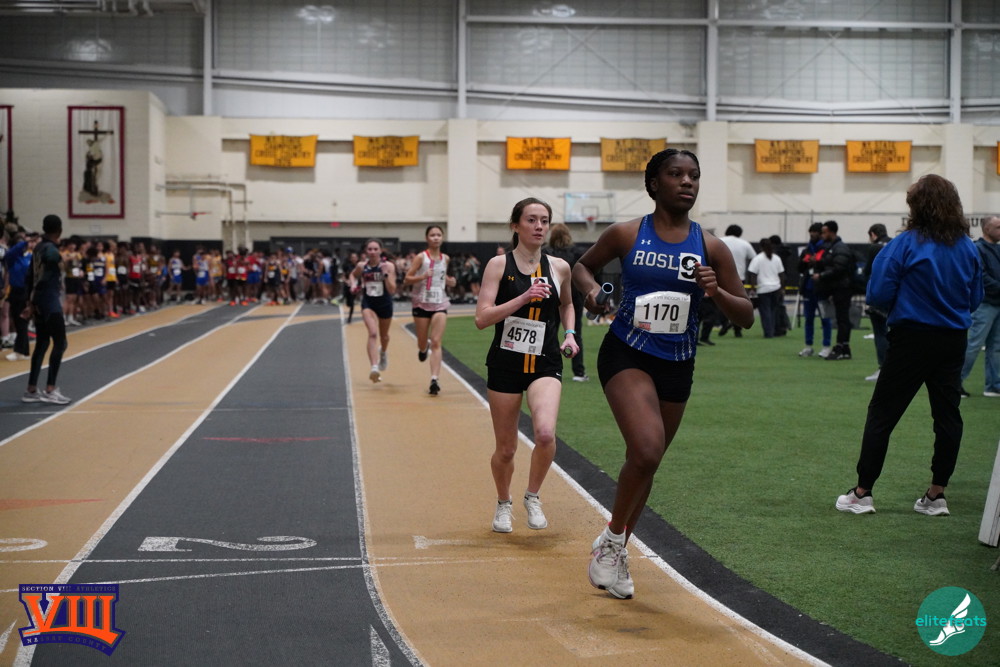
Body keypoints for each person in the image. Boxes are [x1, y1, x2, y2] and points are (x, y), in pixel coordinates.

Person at [573, 149, 753, 599]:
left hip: (678, 362)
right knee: (648, 448)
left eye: (694, 175)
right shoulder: (626, 233)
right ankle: (612, 540)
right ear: (654, 183)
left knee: (646, 463)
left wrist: (717, 292)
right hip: (627, 352)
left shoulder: (711, 246)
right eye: (676, 174)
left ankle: (618, 550)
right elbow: (582, 267)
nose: (687, 182)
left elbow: (746, 315)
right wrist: (592, 291)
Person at [835, 174, 983, 516]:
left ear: (917, 206)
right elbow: (974, 299)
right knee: (948, 416)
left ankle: (862, 492)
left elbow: (878, 294)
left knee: (883, 414)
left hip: (911, 338)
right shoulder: (967, 247)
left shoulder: (903, 244)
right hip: (953, 340)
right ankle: (936, 495)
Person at [475, 197, 578, 535]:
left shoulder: (559, 267)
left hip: (545, 362)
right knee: (506, 449)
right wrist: (523, 297)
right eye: (531, 219)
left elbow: (567, 304)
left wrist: (570, 334)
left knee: (545, 433)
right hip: (505, 364)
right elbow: (481, 318)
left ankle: (532, 496)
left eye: (544, 220)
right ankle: (503, 502)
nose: (539, 226)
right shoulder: (497, 265)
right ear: (515, 225)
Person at [22, 215, 72, 404]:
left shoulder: (38, 248)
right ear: (59, 230)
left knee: (42, 343)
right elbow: (43, 277)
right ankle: (50, 389)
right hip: (49, 302)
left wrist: (30, 302)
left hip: (39, 301)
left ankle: (31, 389)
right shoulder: (51, 251)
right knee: (60, 343)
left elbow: (29, 277)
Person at [404, 225, 457, 395]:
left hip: (440, 303)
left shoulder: (445, 258)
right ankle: (422, 348)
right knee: (422, 341)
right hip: (421, 303)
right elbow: (407, 279)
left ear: (442, 238)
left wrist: (450, 281)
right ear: (427, 238)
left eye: (438, 235)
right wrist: (422, 276)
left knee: (436, 341)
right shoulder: (421, 257)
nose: (436, 238)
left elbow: (443, 277)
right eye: (432, 235)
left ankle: (434, 380)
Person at [960, 214, 1000, 398]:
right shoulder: (977, 249)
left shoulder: (996, 249)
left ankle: (993, 385)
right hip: (984, 304)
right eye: (998, 227)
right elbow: (981, 276)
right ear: (987, 229)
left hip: (997, 303)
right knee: (974, 345)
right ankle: (956, 382)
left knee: (996, 347)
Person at [544, 223, 589, 380]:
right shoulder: (577, 253)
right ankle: (579, 372)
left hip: (552, 296)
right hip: (573, 297)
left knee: (550, 332)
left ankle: (548, 367)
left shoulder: (545, 253)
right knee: (575, 332)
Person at [351, 239, 396, 383]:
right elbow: (353, 275)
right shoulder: (362, 266)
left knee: (384, 336)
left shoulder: (389, 266)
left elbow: (392, 290)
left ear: (381, 251)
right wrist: (353, 284)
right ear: (366, 251)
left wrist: (385, 274)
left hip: (385, 303)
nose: (372, 252)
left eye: (375, 249)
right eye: (370, 249)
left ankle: (383, 352)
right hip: (368, 303)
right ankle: (374, 367)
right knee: (372, 333)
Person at [812, 220, 855, 360]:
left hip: (842, 288)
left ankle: (841, 347)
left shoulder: (839, 248)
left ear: (831, 232)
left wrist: (821, 275)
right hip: (837, 288)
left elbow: (839, 268)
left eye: (824, 232)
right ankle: (844, 348)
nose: (822, 235)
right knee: (840, 318)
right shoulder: (832, 247)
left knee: (842, 319)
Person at [797, 222, 833, 358]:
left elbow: (829, 266)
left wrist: (817, 262)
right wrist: (804, 261)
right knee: (808, 318)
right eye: (810, 232)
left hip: (822, 289)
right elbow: (799, 268)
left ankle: (826, 346)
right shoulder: (807, 249)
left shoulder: (827, 248)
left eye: (815, 232)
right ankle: (808, 346)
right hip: (808, 288)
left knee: (825, 318)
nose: (812, 234)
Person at [863, 224, 892, 381]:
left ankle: (883, 368)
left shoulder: (875, 248)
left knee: (880, 332)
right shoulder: (895, 243)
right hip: (895, 295)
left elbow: (868, 270)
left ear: (873, 234)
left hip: (879, 294)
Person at [4, 229, 37, 361]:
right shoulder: (13, 259)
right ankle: (23, 350)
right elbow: (10, 253)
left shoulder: (30, 257)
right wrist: (24, 242)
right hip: (15, 291)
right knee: (18, 322)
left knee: (22, 321)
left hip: (26, 291)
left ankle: (20, 351)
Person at [717, 224, 755, 337]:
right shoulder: (745, 244)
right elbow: (753, 257)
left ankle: (724, 323)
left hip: (721, 277)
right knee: (738, 303)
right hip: (738, 278)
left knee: (722, 302)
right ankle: (737, 329)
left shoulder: (720, 241)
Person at [747, 237, 785, 338]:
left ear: (760, 247)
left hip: (763, 289)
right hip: (776, 288)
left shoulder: (757, 259)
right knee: (773, 311)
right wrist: (782, 288)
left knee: (765, 312)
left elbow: (753, 274)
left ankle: (768, 333)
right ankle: (774, 330)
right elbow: (781, 274)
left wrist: (753, 288)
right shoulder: (776, 258)